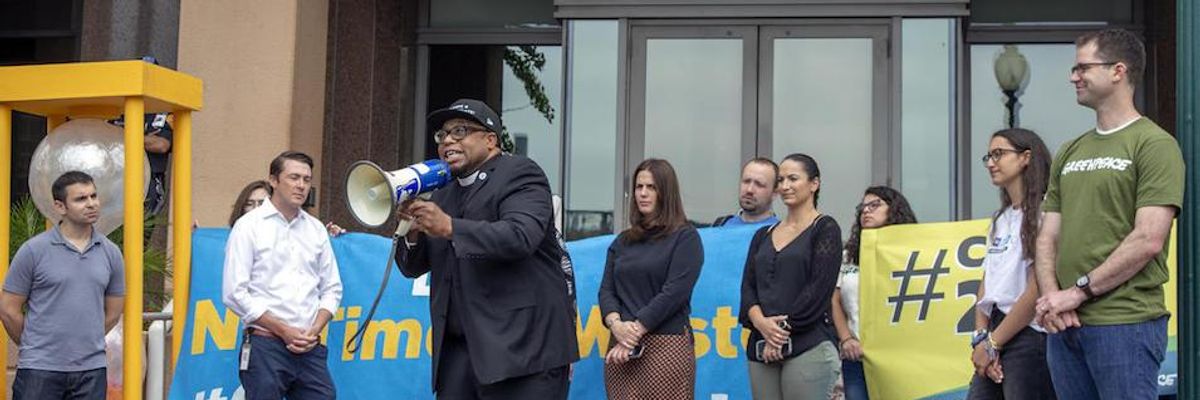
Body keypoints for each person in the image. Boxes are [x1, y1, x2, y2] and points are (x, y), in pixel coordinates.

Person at [1033, 29, 1184, 399]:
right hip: (1065, 326)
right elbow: (1047, 237)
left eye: (1083, 67)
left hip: (1125, 323)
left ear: (1118, 71)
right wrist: (1054, 298)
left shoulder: (1155, 144)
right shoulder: (1070, 150)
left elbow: (1148, 239)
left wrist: (1078, 293)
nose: (1073, 76)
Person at [395, 98, 578, 399]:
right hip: (460, 355)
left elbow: (520, 235)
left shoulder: (521, 173)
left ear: (491, 140)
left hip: (524, 353)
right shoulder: (442, 193)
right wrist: (412, 234)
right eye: (442, 135)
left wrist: (451, 227)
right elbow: (413, 266)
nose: (448, 141)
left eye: (460, 131)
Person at [222, 151, 343, 400]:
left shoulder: (316, 229)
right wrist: (283, 330)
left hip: (309, 346)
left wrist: (314, 329)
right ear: (274, 181)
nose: (301, 185)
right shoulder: (249, 226)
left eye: (307, 180)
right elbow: (234, 293)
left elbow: (332, 288)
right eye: (294, 177)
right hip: (266, 345)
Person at [0, 171, 124, 400]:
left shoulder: (111, 253)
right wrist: (34, 344)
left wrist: (85, 342)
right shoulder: (33, 250)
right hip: (39, 370)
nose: (91, 204)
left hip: (91, 371)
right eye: (81, 199)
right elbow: (8, 309)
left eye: (93, 196)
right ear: (60, 206)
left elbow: (114, 312)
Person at [739, 153, 843, 399]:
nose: (785, 186)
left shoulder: (825, 228)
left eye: (793, 179)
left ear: (814, 184)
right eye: (781, 180)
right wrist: (763, 325)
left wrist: (781, 332)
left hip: (809, 345)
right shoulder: (763, 235)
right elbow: (748, 288)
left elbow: (818, 288)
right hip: (760, 345)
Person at [598, 158, 704, 399]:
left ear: (666, 192)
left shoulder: (685, 237)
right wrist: (617, 326)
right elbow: (606, 291)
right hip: (621, 347)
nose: (643, 193)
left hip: (666, 344)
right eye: (639, 187)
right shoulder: (622, 241)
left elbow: (674, 293)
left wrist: (634, 332)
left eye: (651, 187)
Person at [966, 128, 1056, 399]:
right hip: (996, 332)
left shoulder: (1045, 213)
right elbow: (987, 283)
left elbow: (1037, 287)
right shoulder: (1001, 218)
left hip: (1028, 334)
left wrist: (994, 342)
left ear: (1025, 157)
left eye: (999, 154)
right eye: (988, 156)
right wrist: (983, 339)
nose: (991, 163)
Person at [831, 186, 917, 400]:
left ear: (894, 210)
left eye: (874, 205)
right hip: (857, 355)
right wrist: (846, 339)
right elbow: (834, 300)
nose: (866, 211)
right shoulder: (848, 256)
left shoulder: (913, 251)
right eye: (862, 207)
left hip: (901, 356)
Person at [712, 157, 780, 227]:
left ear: (774, 193)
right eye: (746, 181)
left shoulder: (780, 232)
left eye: (759, 184)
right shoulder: (720, 225)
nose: (749, 190)